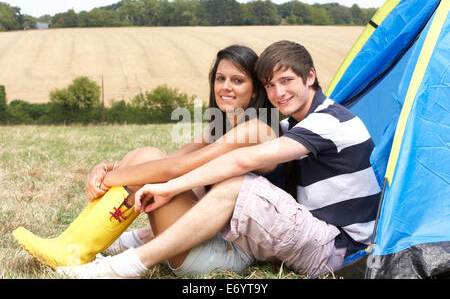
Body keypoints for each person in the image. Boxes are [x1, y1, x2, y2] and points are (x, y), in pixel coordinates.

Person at [57, 40, 381, 279]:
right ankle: (87, 242)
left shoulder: (324, 122)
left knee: (237, 183)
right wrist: (112, 168)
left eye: (287, 81)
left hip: (340, 251)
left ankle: (123, 265)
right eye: (271, 84)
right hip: (289, 235)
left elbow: (228, 165)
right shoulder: (286, 125)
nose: (278, 92)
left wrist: (165, 186)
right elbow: (173, 160)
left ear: (310, 77)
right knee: (150, 159)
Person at [12, 44, 278, 274]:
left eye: (237, 80)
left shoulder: (257, 129)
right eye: (220, 79)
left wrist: (112, 178)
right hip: (197, 236)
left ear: (255, 90)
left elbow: (176, 167)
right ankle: (70, 245)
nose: (225, 87)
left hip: (224, 254)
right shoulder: (218, 128)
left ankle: (73, 250)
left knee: (149, 161)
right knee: (145, 155)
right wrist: (105, 167)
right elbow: (169, 159)